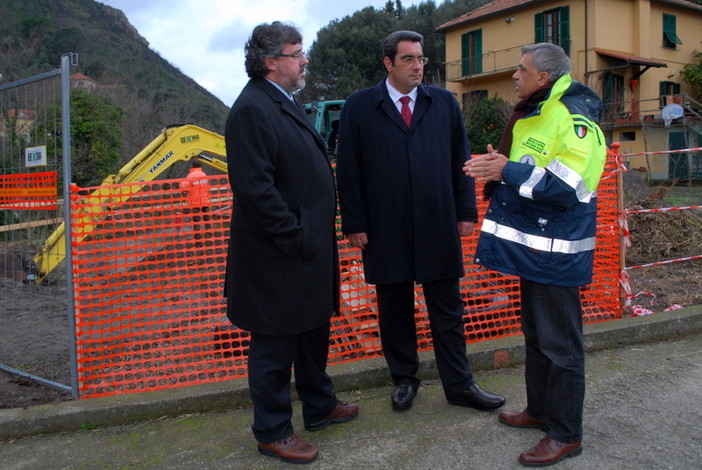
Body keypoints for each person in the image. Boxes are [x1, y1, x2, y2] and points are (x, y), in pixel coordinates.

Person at [336, 30, 506, 413]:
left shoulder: (443, 103)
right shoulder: (360, 107)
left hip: (437, 221)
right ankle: (404, 381)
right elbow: (349, 171)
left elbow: (460, 162)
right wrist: (355, 223)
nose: (418, 67)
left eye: (421, 59)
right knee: (394, 311)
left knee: (447, 310)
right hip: (384, 226)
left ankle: (460, 385)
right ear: (389, 63)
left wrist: (466, 213)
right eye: (409, 59)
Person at [464, 43, 607, 467]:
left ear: (543, 78)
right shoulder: (540, 109)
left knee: (561, 346)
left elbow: (568, 186)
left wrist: (505, 169)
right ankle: (540, 411)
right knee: (537, 337)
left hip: (555, 256)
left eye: (520, 70)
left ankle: (566, 433)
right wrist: (504, 164)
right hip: (534, 250)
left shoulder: (572, 115)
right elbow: (532, 166)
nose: (514, 76)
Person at [223, 21, 359, 465]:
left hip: (305, 252)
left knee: (312, 332)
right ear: (269, 62)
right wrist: (297, 236)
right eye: (297, 53)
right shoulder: (251, 109)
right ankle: (272, 431)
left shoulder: (284, 102)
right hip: (278, 257)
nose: (304, 61)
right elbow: (255, 190)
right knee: (275, 348)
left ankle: (319, 407)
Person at [180, 159, 211, 243]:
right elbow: (207, 187)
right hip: (204, 200)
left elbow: (184, 186)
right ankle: (208, 233)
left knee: (196, 221)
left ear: (192, 166)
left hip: (195, 201)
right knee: (206, 217)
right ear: (200, 166)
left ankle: (198, 239)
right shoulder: (204, 174)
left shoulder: (191, 176)